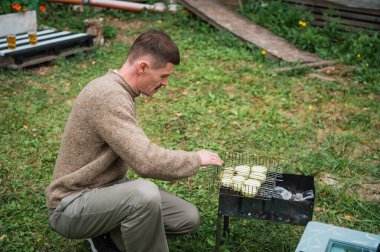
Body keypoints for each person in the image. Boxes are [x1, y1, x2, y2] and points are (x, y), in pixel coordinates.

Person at [45, 29, 223, 252]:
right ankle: (104, 232)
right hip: (71, 205)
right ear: (143, 67)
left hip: (108, 190)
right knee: (144, 195)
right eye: (164, 76)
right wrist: (196, 158)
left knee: (186, 217)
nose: (166, 83)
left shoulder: (119, 91)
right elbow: (146, 161)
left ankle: (106, 235)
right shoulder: (108, 96)